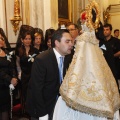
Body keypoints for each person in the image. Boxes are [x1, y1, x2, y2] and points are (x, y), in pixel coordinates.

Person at [53, 1, 120, 120]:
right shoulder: (92, 40)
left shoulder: (84, 40)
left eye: (82, 20)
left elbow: (79, 60)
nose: (81, 23)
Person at [26, 29, 73, 120]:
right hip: (42, 107)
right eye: (67, 41)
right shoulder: (42, 60)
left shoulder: (69, 58)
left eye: (71, 41)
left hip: (59, 107)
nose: (71, 44)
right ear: (57, 43)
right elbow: (36, 89)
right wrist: (42, 113)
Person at [15, 31, 39, 114]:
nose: (28, 40)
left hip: (33, 74)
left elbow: (38, 64)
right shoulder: (18, 50)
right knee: (25, 93)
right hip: (24, 75)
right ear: (22, 40)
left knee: (33, 92)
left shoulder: (35, 50)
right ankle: (25, 111)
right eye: (26, 39)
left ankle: (33, 109)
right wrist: (19, 73)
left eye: (29, 39)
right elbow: (17, 63)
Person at [0, 34, 17, 120]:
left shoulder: (6, 52)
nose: (1, 40)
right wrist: (10, 79)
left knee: (6, 110)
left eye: (2, 38)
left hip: (7, 86)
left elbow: (12, 66)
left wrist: (14, 77)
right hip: (1, 84)